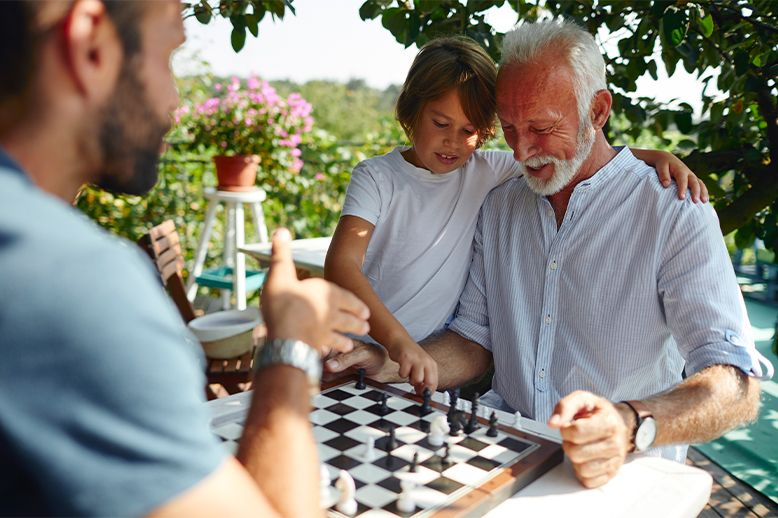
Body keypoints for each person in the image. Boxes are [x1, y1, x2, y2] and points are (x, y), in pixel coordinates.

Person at [326, 20, 773, 489]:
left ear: (598, 111)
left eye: (541, 128)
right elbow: (473, 341)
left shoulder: (672, 210)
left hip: (620, 474)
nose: (522, 151)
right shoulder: (500, 204)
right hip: (499, 455)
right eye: (511, 130)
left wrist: (630, 423)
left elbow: (735, 382)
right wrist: (388, 363)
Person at [0, 1, 369, 516]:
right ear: (90, 44)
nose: (175, 103)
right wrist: (291, 345)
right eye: (168, 54)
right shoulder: (72, 283)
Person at [325, 36, 708, 392]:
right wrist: (397, 343)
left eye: (469, 130)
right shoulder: (378, 176)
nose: (453, 142)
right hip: (361, 349)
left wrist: (654, 156)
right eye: (440, 124)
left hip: (418, 365)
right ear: (411, 111)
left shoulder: (484, 169)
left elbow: (575, 155)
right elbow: (342, 264)